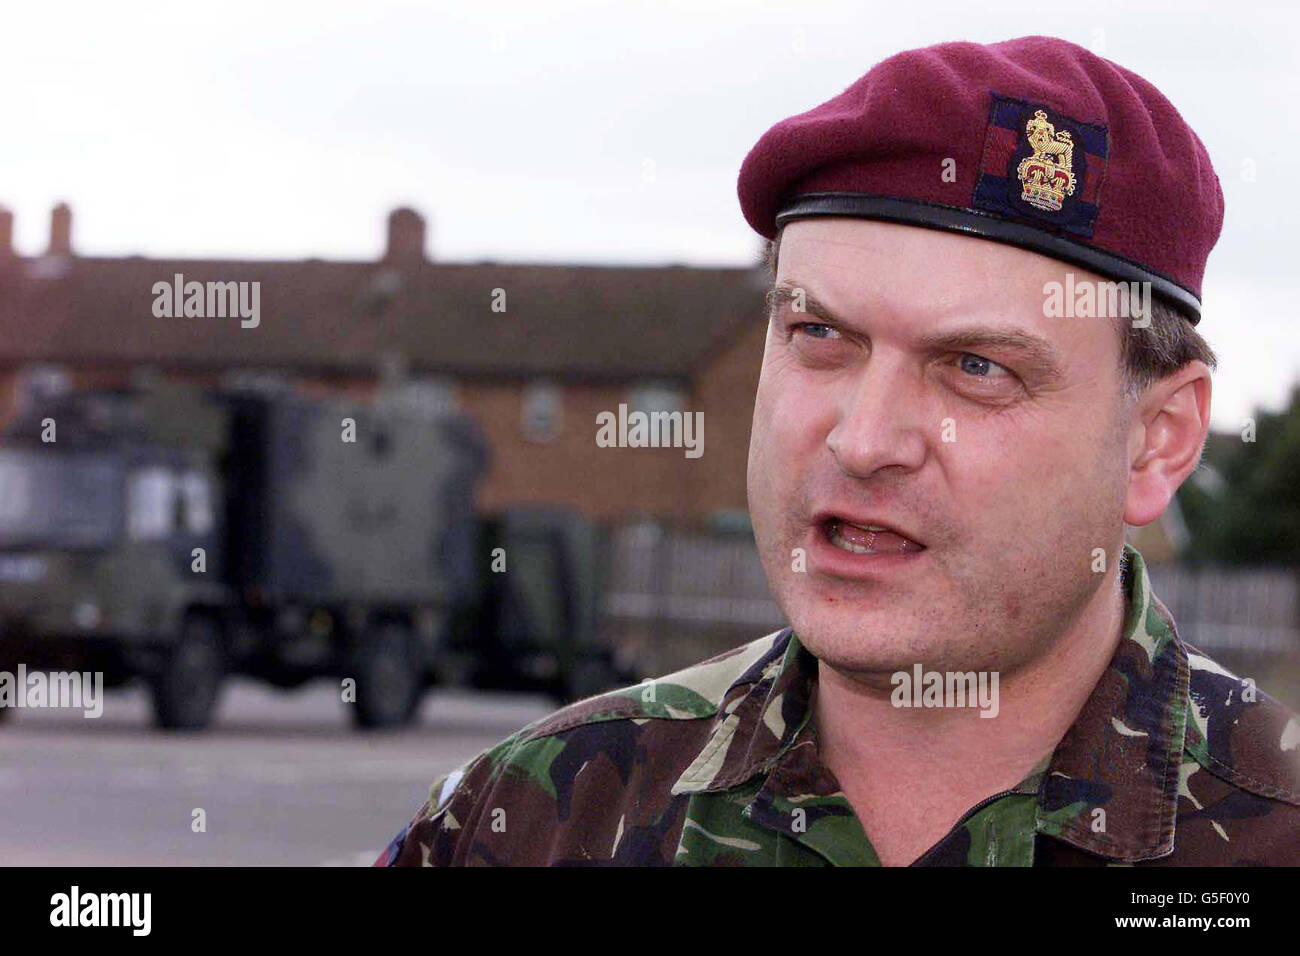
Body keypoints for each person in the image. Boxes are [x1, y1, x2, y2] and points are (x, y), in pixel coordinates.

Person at [375, 35, 1299, 866]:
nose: (863, 442)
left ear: (1156, 443)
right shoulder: (538, 814)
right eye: (820, 334)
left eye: (976, 366)